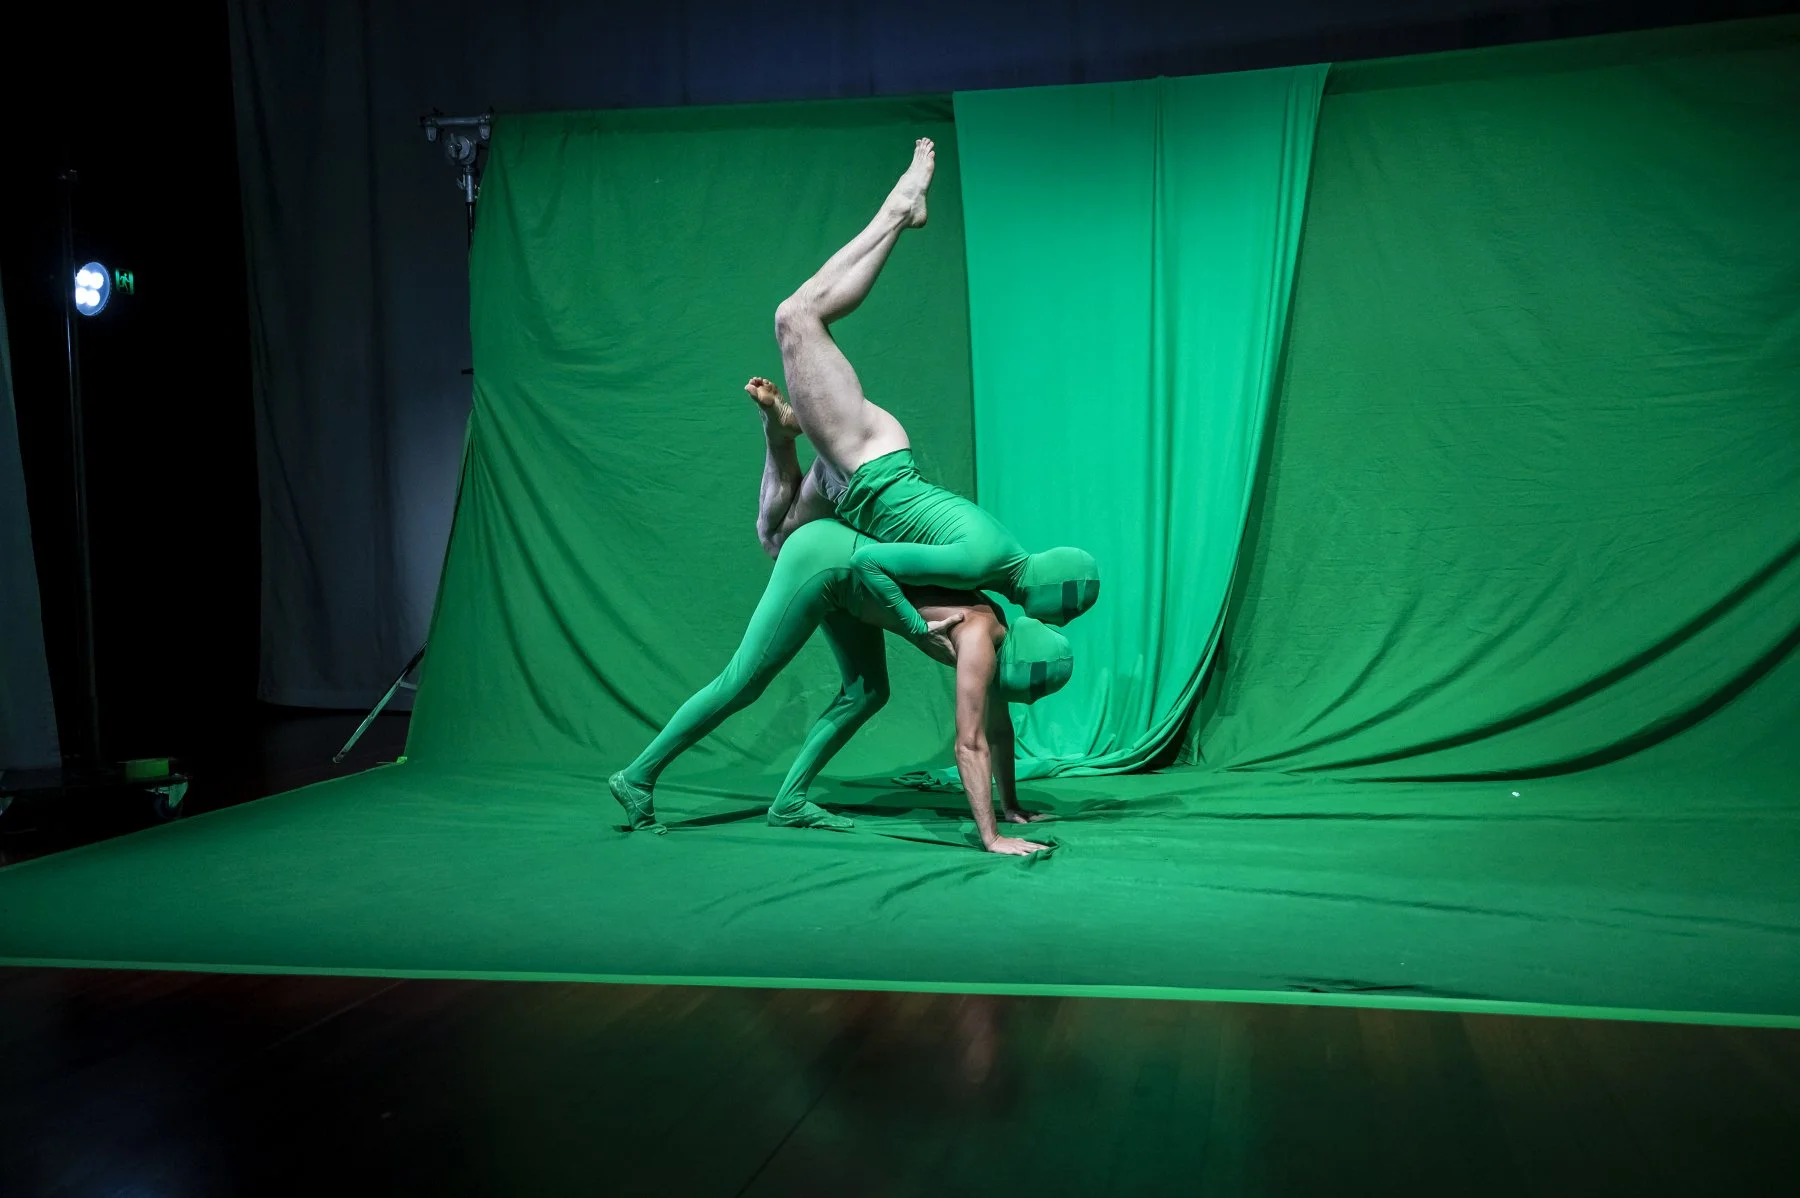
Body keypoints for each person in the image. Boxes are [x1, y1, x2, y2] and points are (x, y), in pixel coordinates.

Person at [606, 390, 1071, 855]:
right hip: (823, 562)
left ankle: (789, 801)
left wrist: (1010, 804)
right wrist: (992, 836)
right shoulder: (979, 641)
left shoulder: (999, 629)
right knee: (743, 681)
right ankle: (637, 777)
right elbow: (970, 745)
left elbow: (999, 728)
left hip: (853, 587)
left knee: (866, 691)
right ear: (1017, 670)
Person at [753, 136, 1101, 645]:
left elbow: (880, 560)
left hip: (853, 484)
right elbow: (870, 561)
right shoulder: (985, 561)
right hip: (869, 462)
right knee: (796, 317)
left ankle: (783, 435)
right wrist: (921, 630)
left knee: (779, 542)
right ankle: (899, 209)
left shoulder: (987, 572)